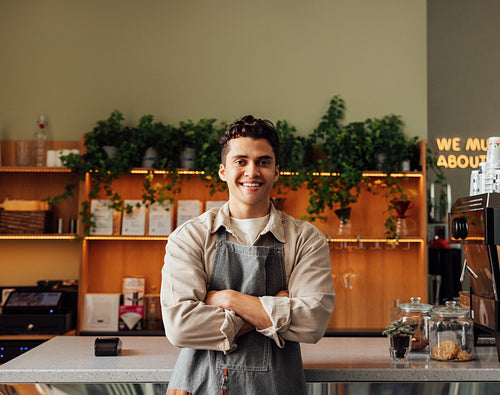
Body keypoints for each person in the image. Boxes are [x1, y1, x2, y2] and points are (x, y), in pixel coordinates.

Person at [161, 115, 335, 394]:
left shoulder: (305, 239)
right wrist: (271, 308)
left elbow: (312, 323)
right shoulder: (190, 236)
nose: (252, 171)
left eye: (263, 162)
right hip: (199, 386)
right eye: (240, 161)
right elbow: (181, 327)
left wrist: (229, 299)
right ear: (223, 171)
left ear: (276, 171)